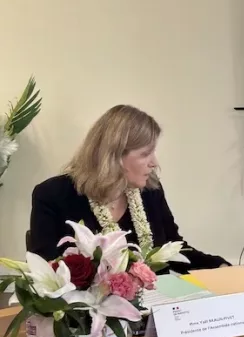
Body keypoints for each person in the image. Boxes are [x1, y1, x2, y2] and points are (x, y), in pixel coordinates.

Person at [29, 105, 229, 271]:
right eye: (145, 154)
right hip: (89, 305)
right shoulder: (53, 195)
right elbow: (46, 269)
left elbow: (173, 249)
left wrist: (218, 265)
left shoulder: (151, 190)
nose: (154, 163)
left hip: (156, 301)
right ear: (114, 156)